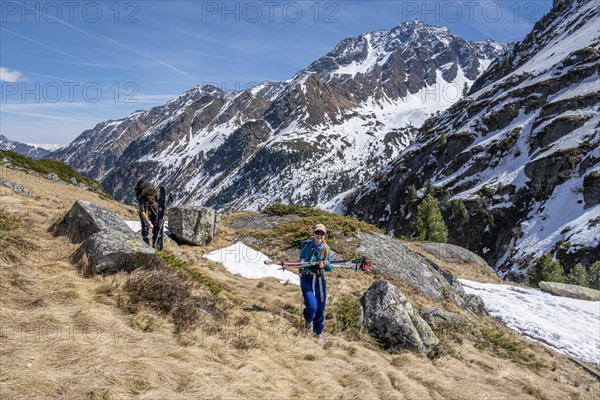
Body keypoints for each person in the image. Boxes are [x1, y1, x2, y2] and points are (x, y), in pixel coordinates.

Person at [299, 223, 331, 340]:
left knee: (321, 306)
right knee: (312, 306)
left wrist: (325, 266)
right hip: (307, 278)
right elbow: (302, 264)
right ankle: (308, 318)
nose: (319, 235)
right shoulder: (307, 247)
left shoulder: (327, 249)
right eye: (317, 232)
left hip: (320, 280)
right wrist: (313, 266)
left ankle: (318, 332)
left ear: (325, 236)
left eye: (322, 233)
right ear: (314, 234)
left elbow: (329, 268)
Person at [134, 180, 159, 246]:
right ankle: (145, 239)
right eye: (149, 197)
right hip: (145, 208)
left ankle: (155, 239)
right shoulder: (141, 198)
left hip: (153, 207)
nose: (151, 198)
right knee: (144, 225)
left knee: (157, 222)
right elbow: (142, 212)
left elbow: (159, 201)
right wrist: (148, 223)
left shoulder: (155, 193)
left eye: (152, 197)